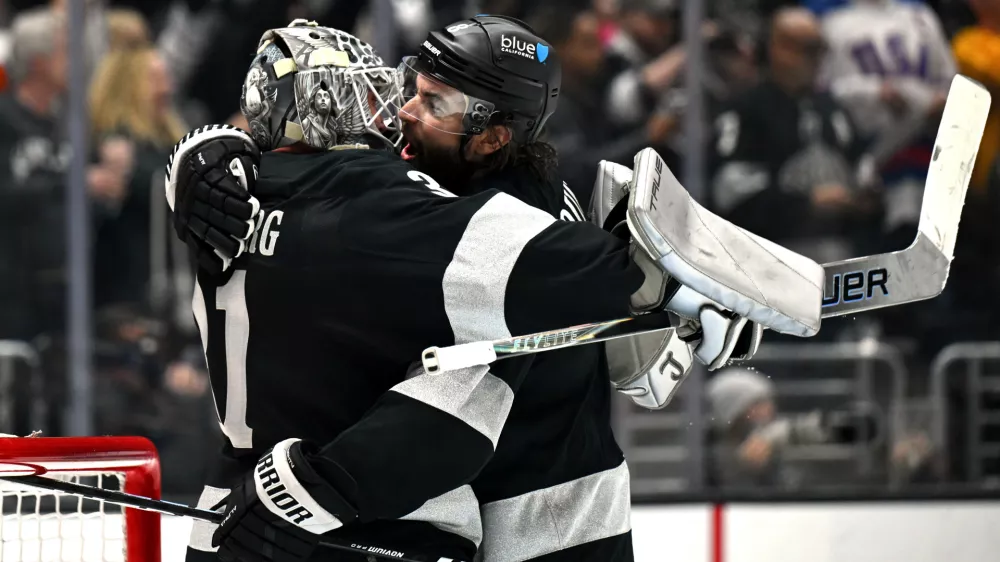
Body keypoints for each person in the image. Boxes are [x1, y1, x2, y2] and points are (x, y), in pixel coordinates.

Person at [167, 19, 779, 562]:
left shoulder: (512, 221)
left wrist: (680, 290)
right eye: (413, 89)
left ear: (492, 136)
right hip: (431, 506)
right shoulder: (406, 185)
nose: (403, 114)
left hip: (552, 522)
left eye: (435, 104)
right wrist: (208, 152)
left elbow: (461, 404)